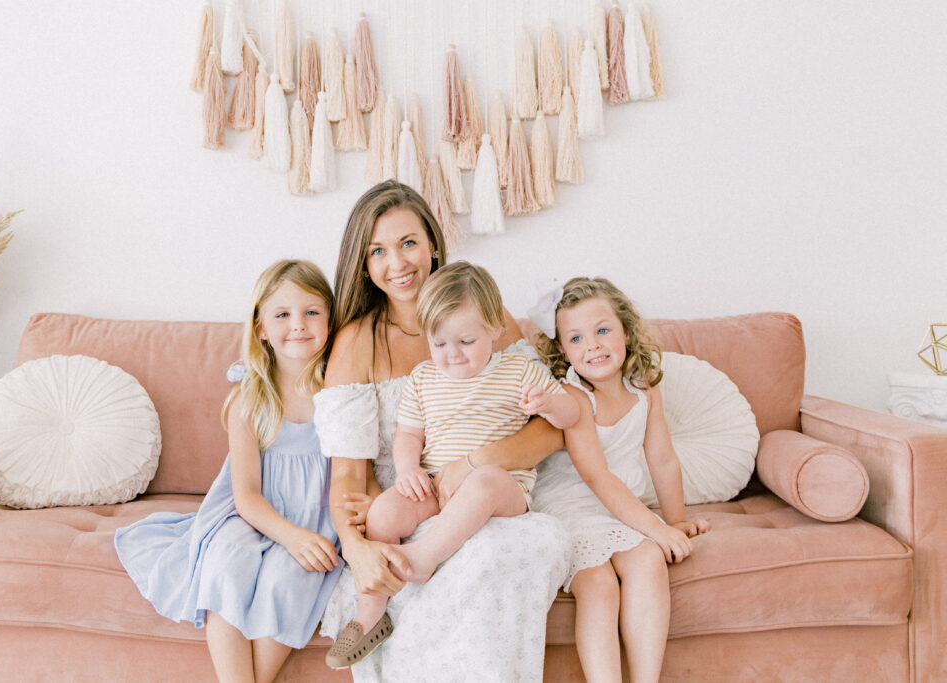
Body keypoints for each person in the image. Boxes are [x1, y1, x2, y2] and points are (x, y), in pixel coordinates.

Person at [313, 181, 569, 682]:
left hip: (491, 494)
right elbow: (347, 478)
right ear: (363, 264)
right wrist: (359, 549)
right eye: (378, 251)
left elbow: (551, 431)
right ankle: (383, 609)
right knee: (408, 557)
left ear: (432, 241)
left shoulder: (485, 317)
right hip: (415, 500)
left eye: (409, 242)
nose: (398, 263)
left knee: (494, 555)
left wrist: (477, 463)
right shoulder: (357, 341)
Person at [114, 260, 342, 683]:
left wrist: (301, 539)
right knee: (226, 563)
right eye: (283, 314)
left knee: (288, 576)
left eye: (312, 311)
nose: (299, 325)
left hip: (317, 520)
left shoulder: (338, 393)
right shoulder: (249, 399)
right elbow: (246, 497)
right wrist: (288, 535)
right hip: (247, 514)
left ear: (330, 320)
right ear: (260, 328)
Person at [530, 277, 711, 683]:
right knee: (599, 584)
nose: (592, 345)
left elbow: (661, 457)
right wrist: (656, 529)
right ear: (563, 350)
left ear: (626, 331)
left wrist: (674, 521)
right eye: (576, 338)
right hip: (570, 507)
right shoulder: (574, 397)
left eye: (603, 330)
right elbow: (596, 476)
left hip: (621, 506)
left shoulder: (644, 384)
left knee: (648, 560)